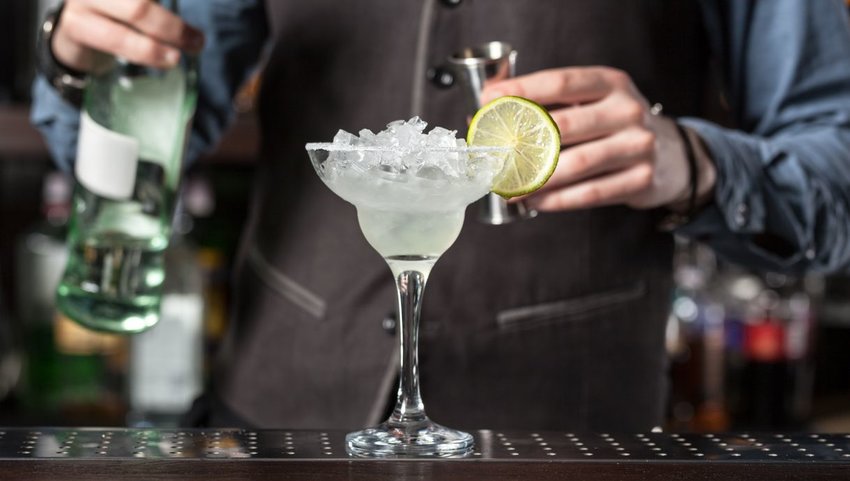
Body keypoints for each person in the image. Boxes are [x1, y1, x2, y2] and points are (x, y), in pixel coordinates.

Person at [32, 0, 850, 431]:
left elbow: (835, 169)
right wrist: (85, 64)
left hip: (570, 443)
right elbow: (144, 131)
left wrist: (695, 164)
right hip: (275, 428)